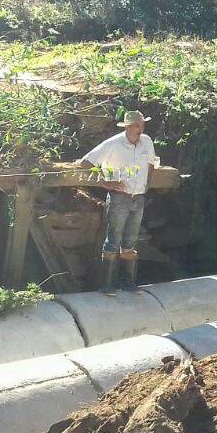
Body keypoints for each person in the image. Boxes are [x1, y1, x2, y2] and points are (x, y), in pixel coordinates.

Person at [79, 110, 156, 295]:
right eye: (137, 125)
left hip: (138, 197)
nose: (141, 128)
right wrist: (105, 183)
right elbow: (85, 162)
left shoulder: (146, 141)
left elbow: (151, 163)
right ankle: (107, 285)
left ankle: (128, 282)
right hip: (119, 197)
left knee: (130, 241)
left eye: (142, 124)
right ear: (128, 127)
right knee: (113, 239)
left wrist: (147, 185)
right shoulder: (113, 144)